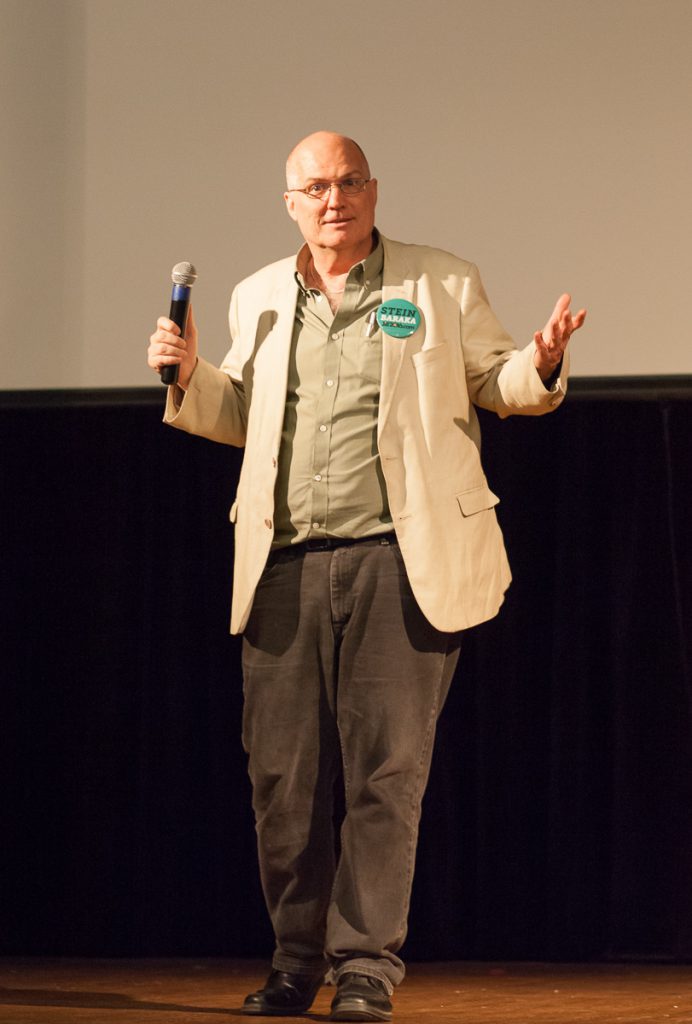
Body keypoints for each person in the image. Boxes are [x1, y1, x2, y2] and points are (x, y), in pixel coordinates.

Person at [147, 130, 586, 1022]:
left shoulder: (438, 281)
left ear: (374, 192)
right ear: (290, 203)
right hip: (282, 563)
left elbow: (496, 382)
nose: (333, 198)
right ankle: (295, 963)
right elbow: (244, 414)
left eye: (349, 182)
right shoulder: (260, 295)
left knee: (386, 775)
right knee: (283, 779)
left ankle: (365, 971)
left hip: (399, 559)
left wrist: (539, 361)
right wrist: (193, 375)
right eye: (315, 186)